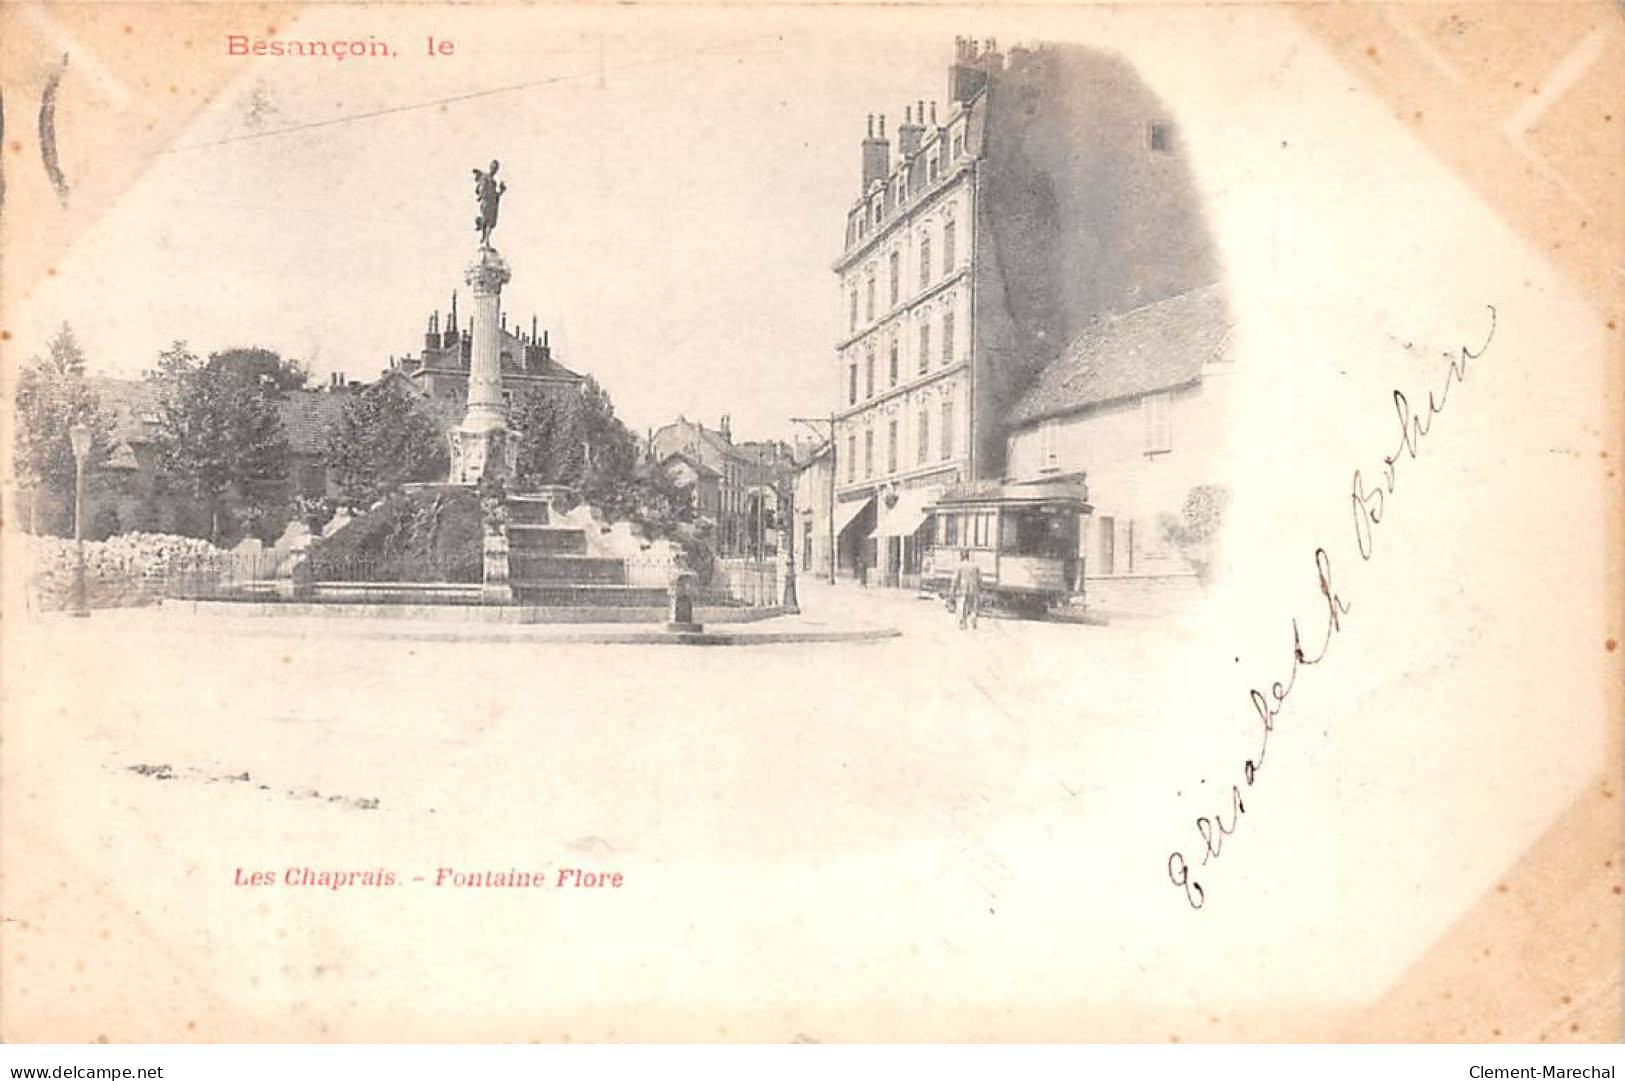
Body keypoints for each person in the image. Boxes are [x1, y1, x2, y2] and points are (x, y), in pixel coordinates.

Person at [950, 548, 981, 630]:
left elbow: (955, 580)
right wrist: (979, 589)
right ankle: (973, 618)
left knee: (962, 606)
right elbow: (980, 580)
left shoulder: (959, 566)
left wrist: (952, 591)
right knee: (973, 606)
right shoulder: (975, 566)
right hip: (974, 590)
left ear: (962, 556)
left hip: (963, 589)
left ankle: (963, 623)